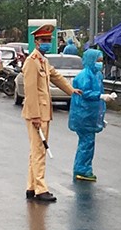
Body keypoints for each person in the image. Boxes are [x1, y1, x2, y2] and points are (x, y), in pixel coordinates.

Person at [22, 24, 81, 202]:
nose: (47, 43)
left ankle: (32, 186)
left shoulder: (43, 61)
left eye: (49, 40)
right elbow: (30, 90)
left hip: (43, 112)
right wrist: (35, 115)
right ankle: (40, 188)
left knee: (36, 150)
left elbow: (56, 76)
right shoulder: (32, 62)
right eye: (44, 40)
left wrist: (71, 90)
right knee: (40, 150)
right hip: (37, 113)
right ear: (36, 42)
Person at [68, 49, 115, 181]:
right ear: (91, 60)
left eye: (101, 61)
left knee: (88, 144)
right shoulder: (84, 76)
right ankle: (81, 170)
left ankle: (84, 168)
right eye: (98, 61)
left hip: (90, 116)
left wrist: (100, 117)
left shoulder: (97, 75)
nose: (100, 64)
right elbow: (85, 93)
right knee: (86, 144)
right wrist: (101, 96)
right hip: (83, 116)